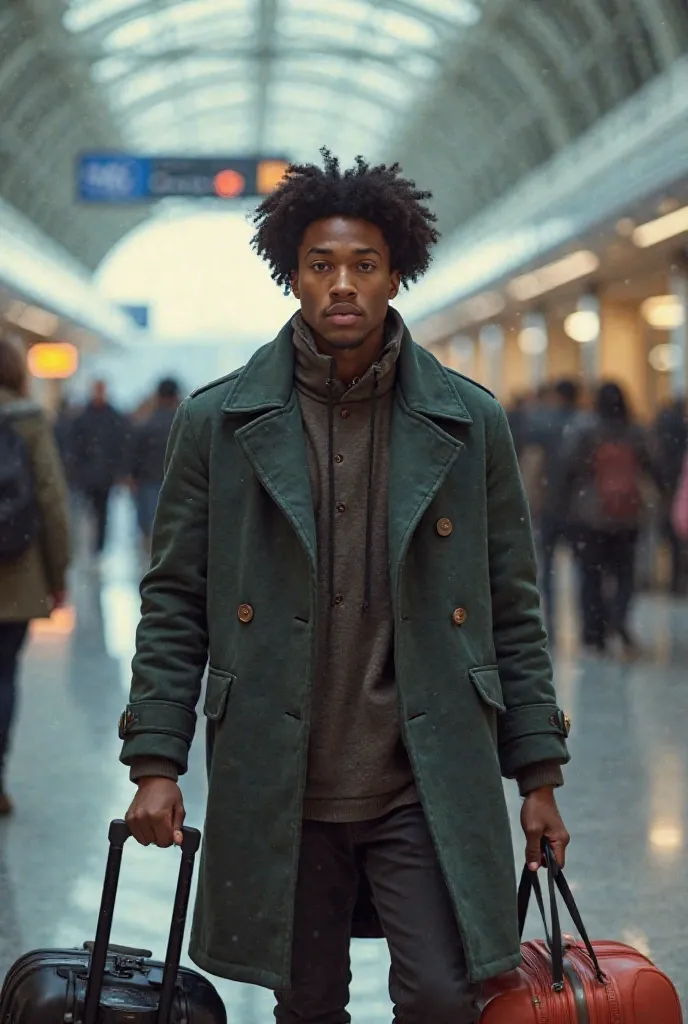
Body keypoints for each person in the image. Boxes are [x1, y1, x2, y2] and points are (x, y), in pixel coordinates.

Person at [120, 151, 570, 1024]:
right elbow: (175, 598)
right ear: (292, 273)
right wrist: (155, 762)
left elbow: (513, 606)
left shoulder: (469, 422)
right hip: (284, 775)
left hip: (424, 772)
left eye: (364, 264)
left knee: (444, 996)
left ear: (397, 271)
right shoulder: (218, 423)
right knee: (310, 1005)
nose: (343, 285)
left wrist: (539, 775)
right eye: (322, 265)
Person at [0, 339, 70, 815]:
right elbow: (50, 500)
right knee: (3, 676)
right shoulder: (26, 419)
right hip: (15, 573)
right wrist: (57, 570)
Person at [561, 381, 657, 656]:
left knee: (590, 574)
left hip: (590, 514)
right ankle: (618, 617)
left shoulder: (586, 430)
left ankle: (594, 633)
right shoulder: (635, 431)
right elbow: (652, 465)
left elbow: (569, 468)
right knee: (624, 572)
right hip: (628, 515)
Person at [520, 379, 583, 646]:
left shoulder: (541, 424)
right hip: (578, 509)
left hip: (549, 505)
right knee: (583, 567)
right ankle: (587, 623)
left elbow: (532, 467)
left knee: (547, 568)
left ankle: (551, 624)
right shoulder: (584, 423)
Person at [70, 381, 127, 555]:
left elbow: (120, 445)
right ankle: (92, 545)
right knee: (89, 511)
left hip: (103, 475)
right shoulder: (86, 417)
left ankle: (98, 546)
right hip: (89, 474)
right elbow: (76, 446)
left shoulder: (111, 417)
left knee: (101, 512)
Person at [129, 378, 182, 548]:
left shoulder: (146, 422)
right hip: (175, 478)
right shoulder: (182, 423)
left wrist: (133, 475)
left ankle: (152, 549)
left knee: (150, 521)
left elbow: (136, 452)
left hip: (148, 479)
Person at [653, 396, 687, 594]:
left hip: (669, 491)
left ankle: (674, 579)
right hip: (676, 490)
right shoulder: (682, 435)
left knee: (671, 539)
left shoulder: (662, 434)